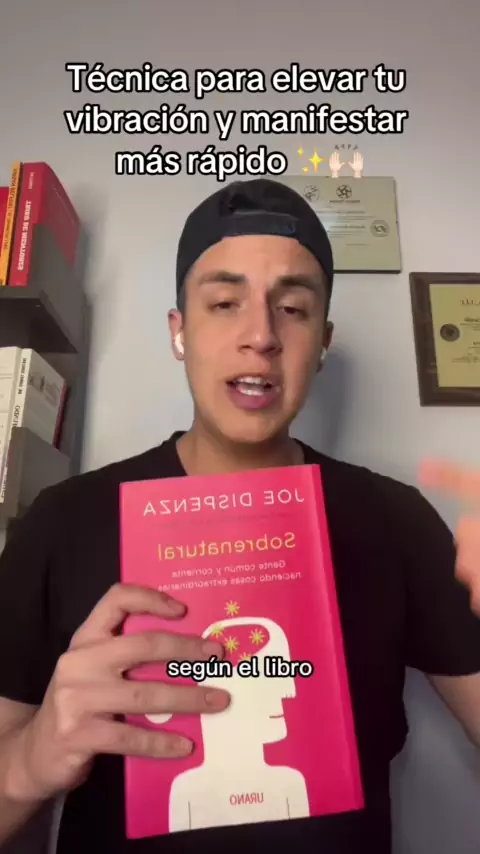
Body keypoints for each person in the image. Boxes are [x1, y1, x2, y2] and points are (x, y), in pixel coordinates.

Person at [0, 177, 479, 854]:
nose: (261, 335)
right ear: (180, 332)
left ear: (322, 342)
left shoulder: (398, 521)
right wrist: (29, 762)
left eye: (293, 309)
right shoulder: (62, 522)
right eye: (224, 303)